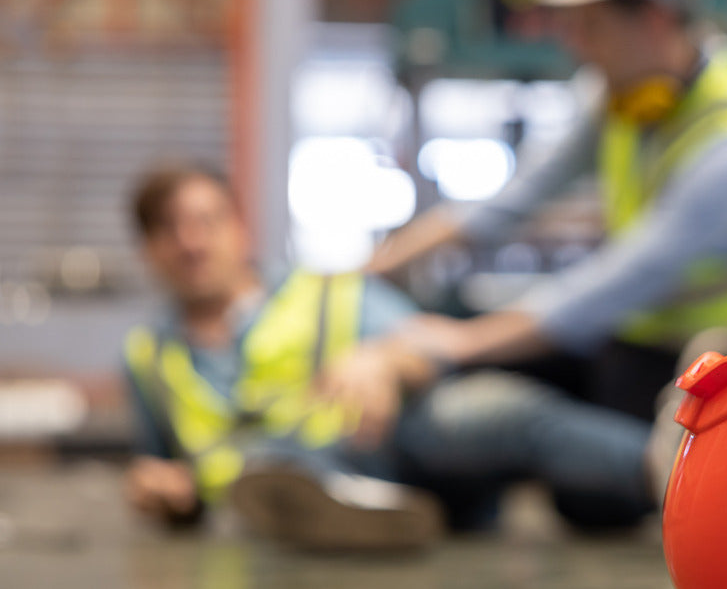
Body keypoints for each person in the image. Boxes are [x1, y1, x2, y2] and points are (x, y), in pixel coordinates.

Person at [353, 0, 727, 422]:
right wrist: (365, 271)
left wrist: (462, 343)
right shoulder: (619, 98)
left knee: (567, 445)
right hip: (643, 341)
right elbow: (515, 199)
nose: (577, 47)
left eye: (591, 26)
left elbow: (616, 282)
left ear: (656, 19)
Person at [121, 160, 658, 546]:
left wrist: (382, 359)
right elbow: (167, 473)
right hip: (266, 496)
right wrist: (165, 493)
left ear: (238, 228)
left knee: (494, 410)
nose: (192, 242)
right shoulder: (148, 358)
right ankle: (332, 501)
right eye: (170, 229)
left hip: (391, 447)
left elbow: (431, 349)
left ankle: (670, 470)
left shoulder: (325, 291)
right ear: (148, 249)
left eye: (206, 221)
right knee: (282, 474)